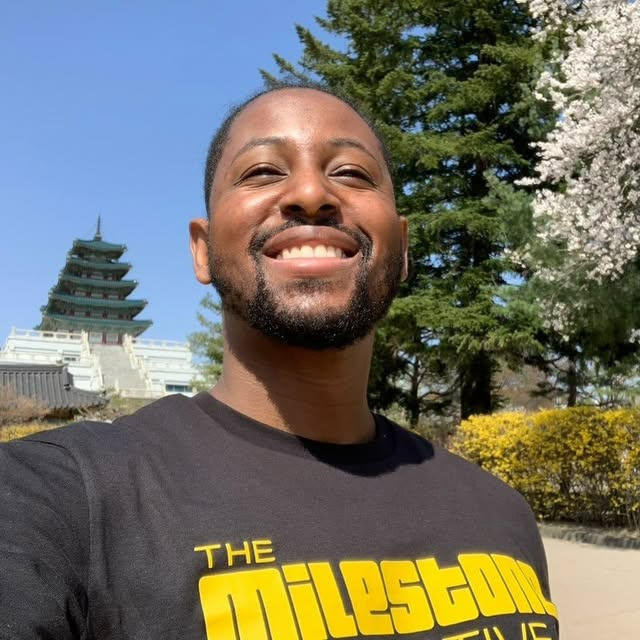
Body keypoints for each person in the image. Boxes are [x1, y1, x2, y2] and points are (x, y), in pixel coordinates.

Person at [0, 83, 559, 640]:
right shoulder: (60, 500)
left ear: (404, 247)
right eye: (263, 171)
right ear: (202, 249)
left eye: (351, 173)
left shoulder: (501, 517)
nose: (311, 193)